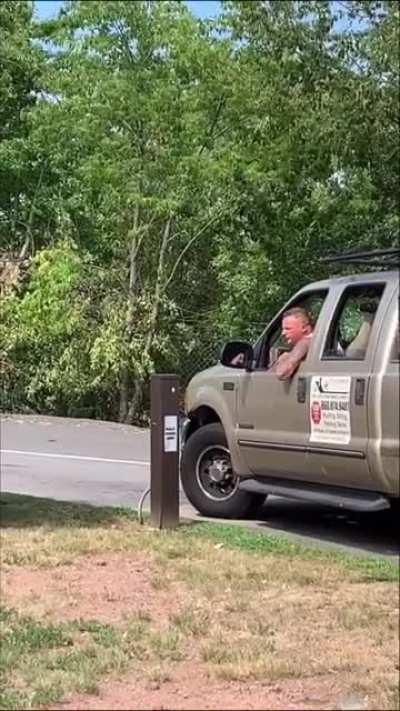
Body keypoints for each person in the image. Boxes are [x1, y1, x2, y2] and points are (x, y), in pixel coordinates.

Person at [271, 307, 314, 380]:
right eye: (283, 329)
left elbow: (281, 373)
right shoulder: (315, 343)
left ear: (304, 328)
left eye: (287, 328)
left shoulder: (306, 342)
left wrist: (286, 357)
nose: (283, 333)